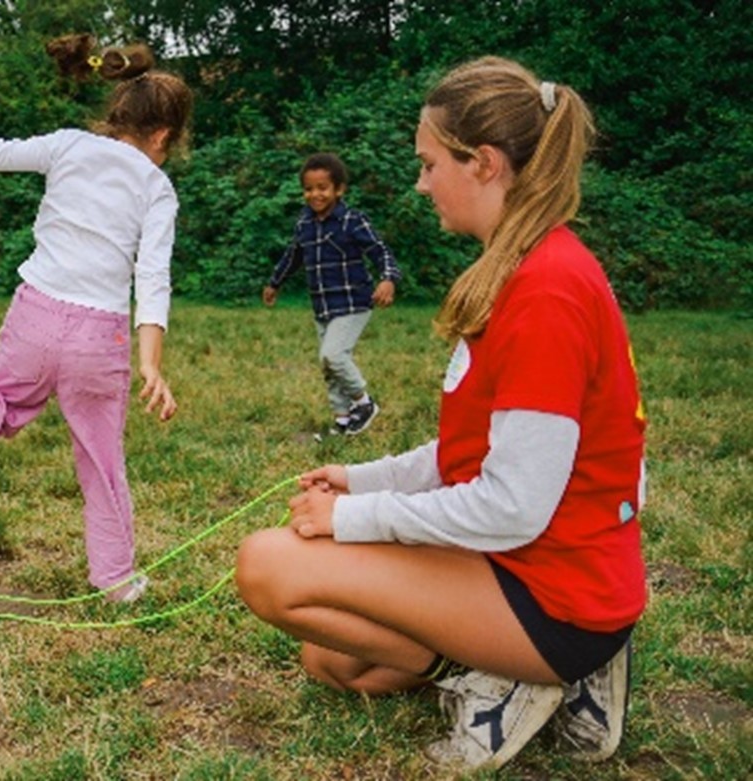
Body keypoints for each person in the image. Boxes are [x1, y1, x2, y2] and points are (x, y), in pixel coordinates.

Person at [236, 56, 646, 772]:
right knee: (333, 660)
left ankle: (528, 672)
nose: (421, 182)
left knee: (267, 563)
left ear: (482, 163)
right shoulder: (525, 265)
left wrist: (352, 521)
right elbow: (473, 447)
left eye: (428, 163)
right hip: (527, 568)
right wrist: (361, 480)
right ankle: (531, 671)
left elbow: (513, 505)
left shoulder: (544, 289)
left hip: (553, 593)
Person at [0, 36, 193, 603]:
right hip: (97, 336)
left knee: (10, 400)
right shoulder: (157, 187)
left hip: (36, 311)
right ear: (162, 137)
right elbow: (152, 277)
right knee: (101, 461)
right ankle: (115, 581)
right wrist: (150, 362)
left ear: (113, 117)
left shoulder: (68, 146)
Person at [262, 152, 401, 437]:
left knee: (333, 355)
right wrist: (275, 282)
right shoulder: (305, 224)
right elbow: (293, 256)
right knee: (329, 367)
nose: (315, 194)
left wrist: (388, 278)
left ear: (339, 189)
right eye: (309, 188)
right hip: (323, 306)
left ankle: (364, 403)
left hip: (353, 303)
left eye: (323, 187)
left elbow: (380, 250)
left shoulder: (352, 220)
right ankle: (341, 421)